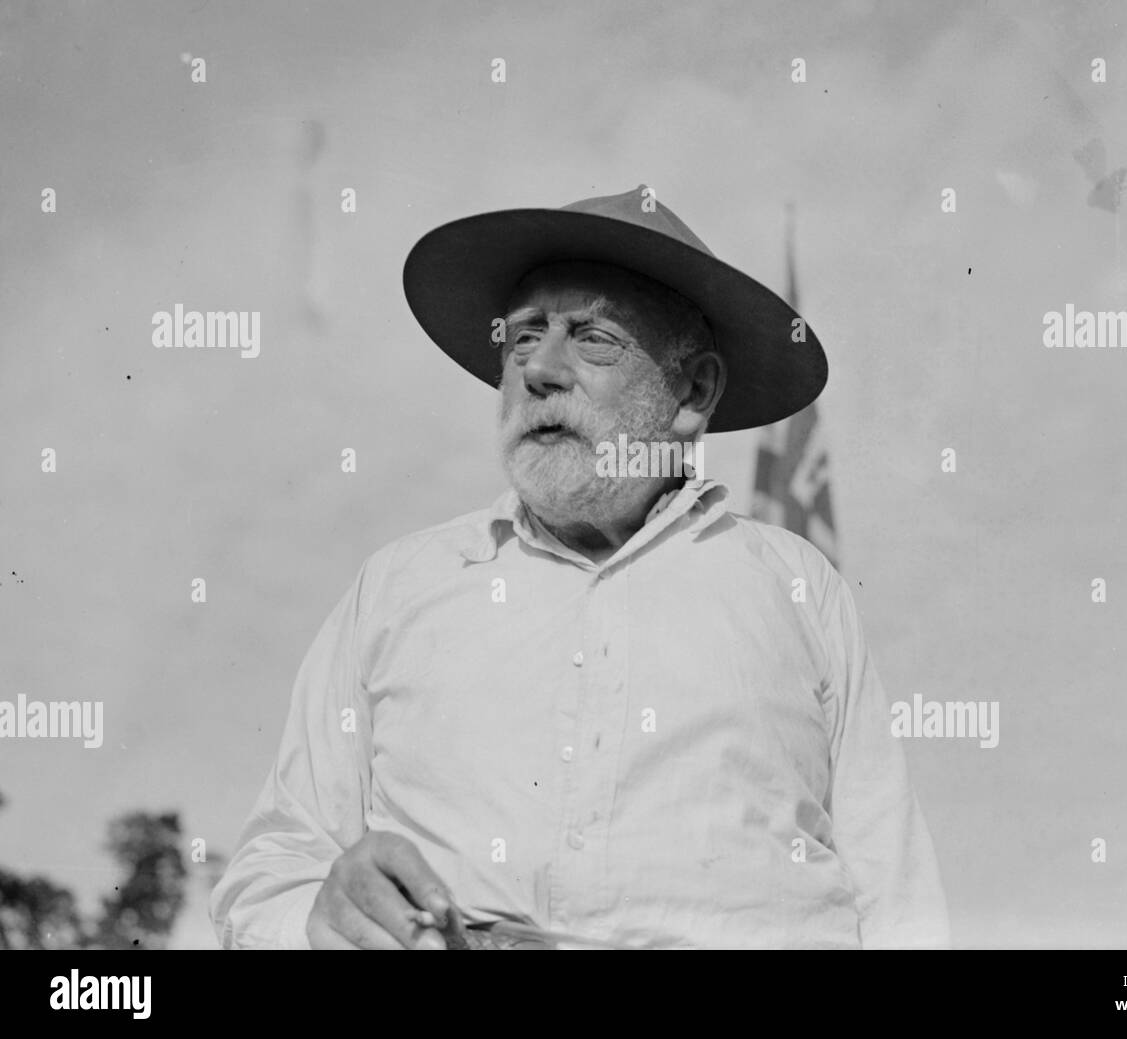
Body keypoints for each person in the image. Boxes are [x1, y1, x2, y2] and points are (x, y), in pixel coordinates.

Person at [210, 186, 949, 949]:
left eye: (592, 338)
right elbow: (274, 866)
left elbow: (898, 901)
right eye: (523, 338)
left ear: (693, 393)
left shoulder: (799, 589)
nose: (539, 369)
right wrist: (319, 917)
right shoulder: (397, 588)